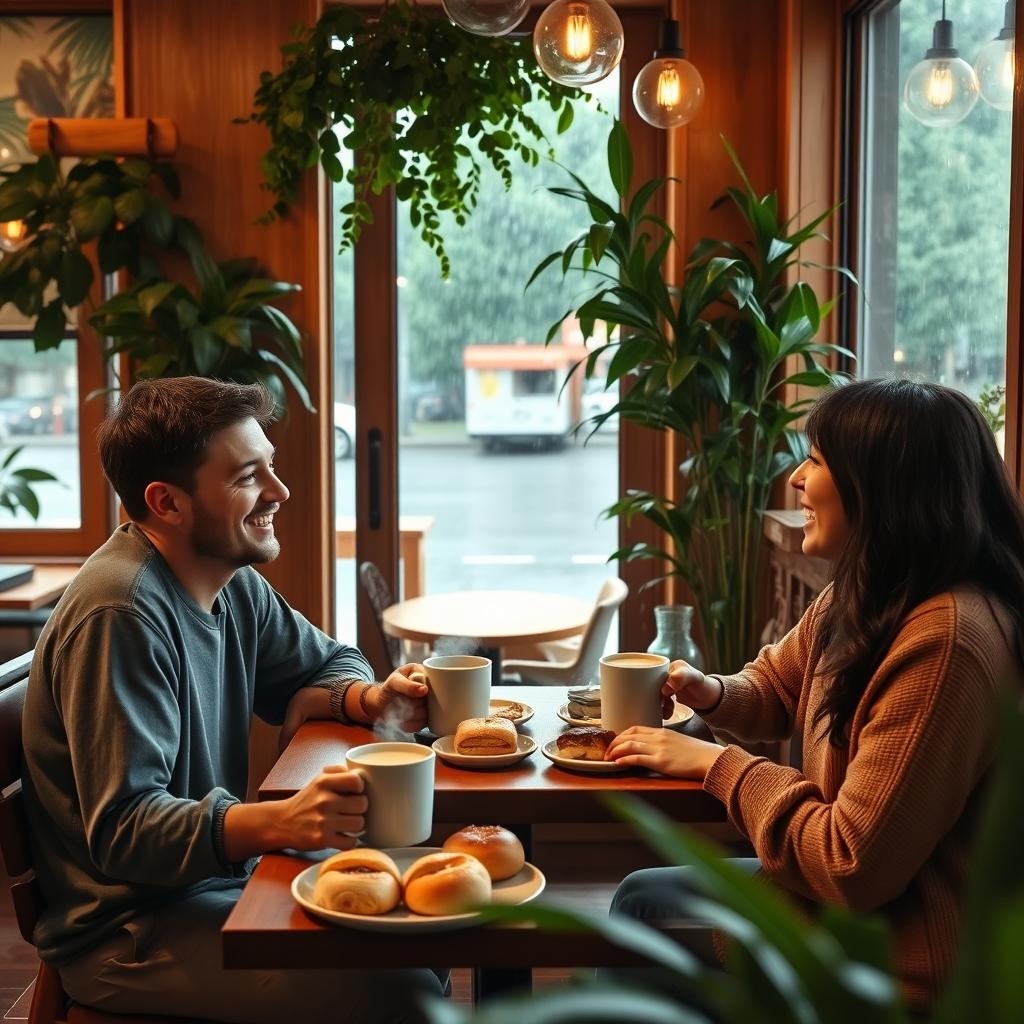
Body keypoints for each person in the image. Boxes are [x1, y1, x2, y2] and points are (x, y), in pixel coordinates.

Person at [21, 377, 445, 1023]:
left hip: (212, 885)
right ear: (167, 502)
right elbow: (124, 831)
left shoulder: (229, 584)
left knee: (420, 923)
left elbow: (334, 660)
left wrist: (360, 696)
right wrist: (277, 821)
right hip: (130, 932)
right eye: (250, 476)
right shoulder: (120, 613)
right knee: (403, 985)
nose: (280, 491)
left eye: (270, 467)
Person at [606, 377, 1024, 1013]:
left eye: (817, 461)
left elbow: (850, 863)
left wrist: (721, 766)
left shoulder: (946, 642)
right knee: (640, 897)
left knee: (634, 950)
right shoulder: (871, 591)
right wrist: (712, 692)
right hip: (847, 920)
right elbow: (779, 683)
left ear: (885, 487)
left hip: (898, 973)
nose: (796, 480)